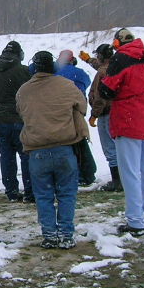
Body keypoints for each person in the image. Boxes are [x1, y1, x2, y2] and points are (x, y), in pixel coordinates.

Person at [16, 51, 89, 249]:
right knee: (67, 193)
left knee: (43, 195)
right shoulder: (67, 85)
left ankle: (49, 234)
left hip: (37, 151)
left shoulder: (23, 90)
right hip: (64, 148)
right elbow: (82, 107)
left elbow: (21, 112)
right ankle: (66, 234)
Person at [99, 28, 144, 235]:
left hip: (128, 117)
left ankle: (136, 221)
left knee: (129, 173)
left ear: (117, 43)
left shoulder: (120, 59)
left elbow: (107, 89)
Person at [0, 40, 33, 202]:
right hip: (19, 118)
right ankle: (29, 190)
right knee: (26, 155)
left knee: (6, 156)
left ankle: (11, 191)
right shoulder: (23, 71)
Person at [81, 44, 121, 192]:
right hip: (117, 111)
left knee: (110, 149)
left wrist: (94, 115)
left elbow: (100, 97)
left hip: (106, 113)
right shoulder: (116, 65)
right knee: (120, 147)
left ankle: (117, 181)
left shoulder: (103, 72)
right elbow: (102, 66)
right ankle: (124, 178)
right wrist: (88, 60)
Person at [56, 49, 97, 186]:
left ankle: (68, 174)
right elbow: (86, 82)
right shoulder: (79, 73)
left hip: (57, 115)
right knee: (79, 143)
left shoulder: (53, 73)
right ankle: (85, 174)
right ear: (72, 60)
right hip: (75, 113)